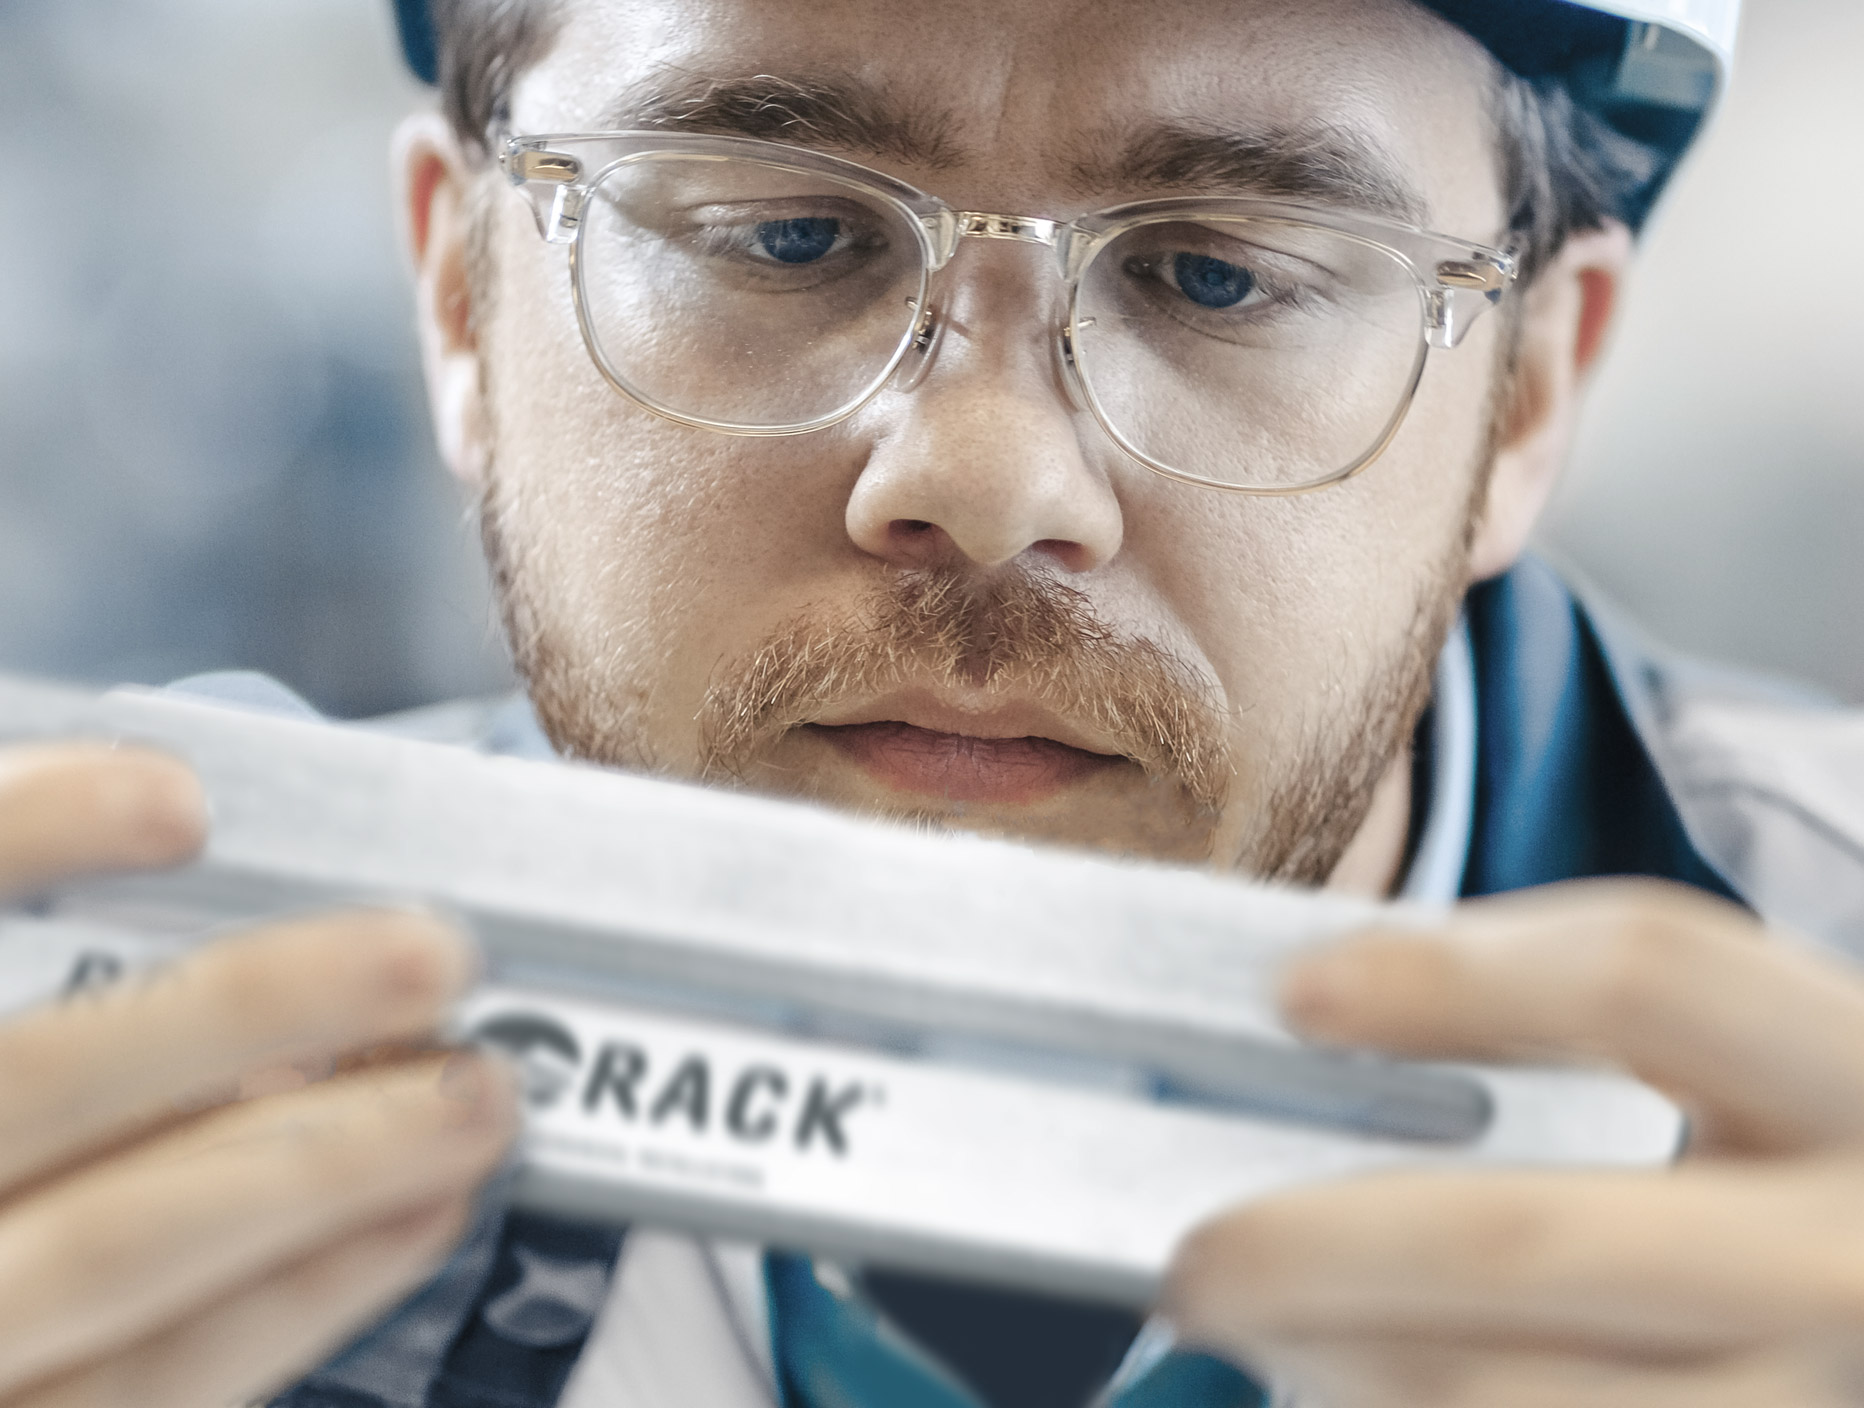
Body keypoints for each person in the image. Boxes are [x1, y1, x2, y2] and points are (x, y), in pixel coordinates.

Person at [5, 0, 1864, 1404]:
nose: (986, 480)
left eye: (1220, 272)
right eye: (782, 234)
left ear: (1533, 393)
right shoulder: (90, 1071)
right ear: (462, 302)